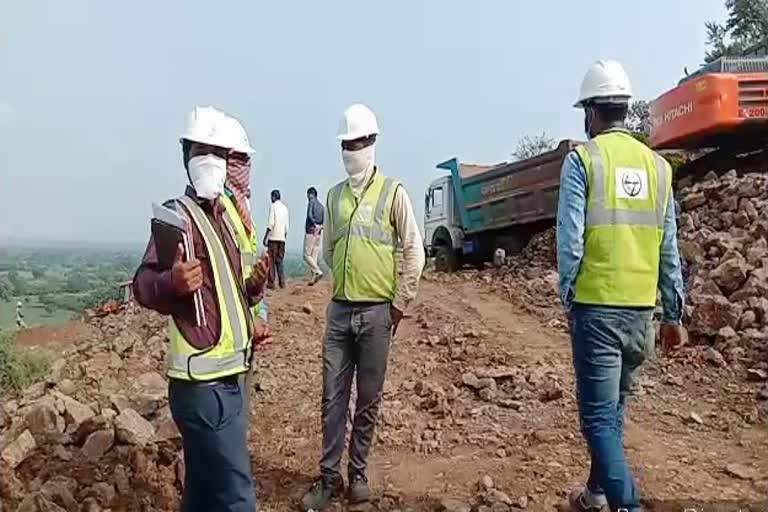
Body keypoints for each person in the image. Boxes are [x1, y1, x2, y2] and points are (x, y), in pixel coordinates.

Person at [557, 60, 685, 512]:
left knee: (597, 420)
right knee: (614, 411)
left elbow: (570, 241)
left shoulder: (583, 160)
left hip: (597, 310)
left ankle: (626, 505)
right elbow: (669, 246)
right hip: (640, 315)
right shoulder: (658, 168)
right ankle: (595, 493)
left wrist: (569, 298)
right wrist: (673, 314)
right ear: (626, 110)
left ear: (591, 113)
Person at [133, 106, 271, 512]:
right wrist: (171, 282)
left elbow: (228, 297)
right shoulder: (178, 216)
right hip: (203, 386)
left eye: (217, 152)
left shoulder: (223, 220)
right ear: (186, 157)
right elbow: (143, 284)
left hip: (227, 378)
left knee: (204, 492)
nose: (210, 161)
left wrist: (255, 288)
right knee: (236, 495)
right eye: (201, 151)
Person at [300, 104, 425, 511]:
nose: (351, 149)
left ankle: (358, 474)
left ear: (372, 144)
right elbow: (332, 247)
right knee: (332, 398)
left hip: (377, 314)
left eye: (357, 142)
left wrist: (399, 304)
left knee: (368, 398)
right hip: (340, 312)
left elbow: (413, 251)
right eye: (345, 144)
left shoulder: (393, 193)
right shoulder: (334, 196)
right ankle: (328, 477)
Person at [264, 189, 289, 289]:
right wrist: (284, 236)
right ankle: (282, 282)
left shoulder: (273, 207)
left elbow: (271, 223)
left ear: (273, 197)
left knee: (271, 261)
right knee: (279, 260)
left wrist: (266, 236)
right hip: (282, 238)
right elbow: (287, 226)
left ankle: (271, 282)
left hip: (273, 237)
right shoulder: (285, 208)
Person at [304, 186, 325, 285]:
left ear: (311, 194)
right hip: (319, 233)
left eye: (308, 195)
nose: (308, 197)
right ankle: (313, 278)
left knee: (306, 255)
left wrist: (314, 225)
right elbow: (325, 220)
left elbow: (309, 215)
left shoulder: (311, 202)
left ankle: (318, 271)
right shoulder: (321, 206)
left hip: (311, 231)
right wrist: (320, 227)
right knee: (314, 256)